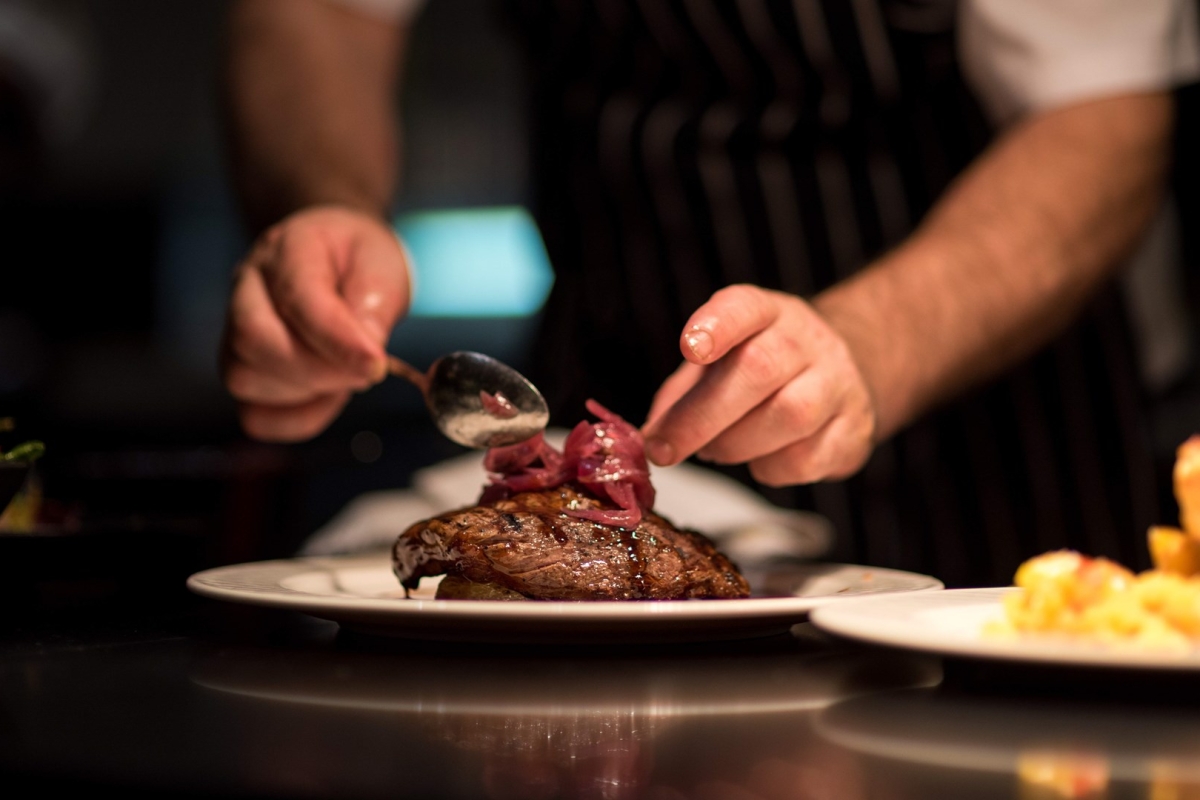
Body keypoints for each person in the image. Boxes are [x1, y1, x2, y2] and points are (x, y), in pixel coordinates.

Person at [219, 0, 1200, 585]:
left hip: (993, 420)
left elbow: (1104, 118)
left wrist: (866, 343)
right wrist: (325, 203)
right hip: (607, 342)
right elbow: (315, 15)